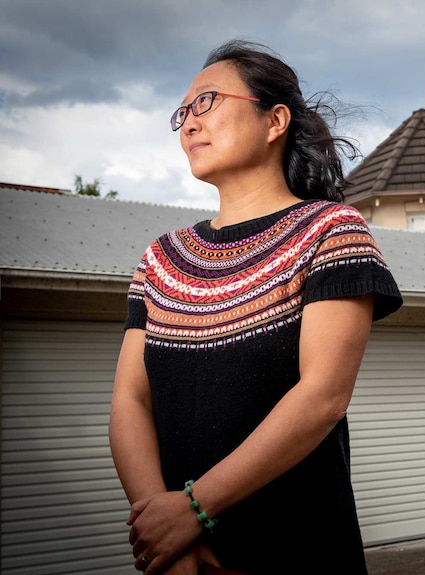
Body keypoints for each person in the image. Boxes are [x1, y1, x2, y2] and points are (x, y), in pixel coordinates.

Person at [109, 39, 402, 575]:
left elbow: (323, 396)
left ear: (275, 121)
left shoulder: (330, 232)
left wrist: (193, 509)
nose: (189, 124)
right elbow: (130, 401)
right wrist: (164, 529)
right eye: (182, 112)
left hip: (300, 549)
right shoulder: (161, 258)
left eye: (208, 101)